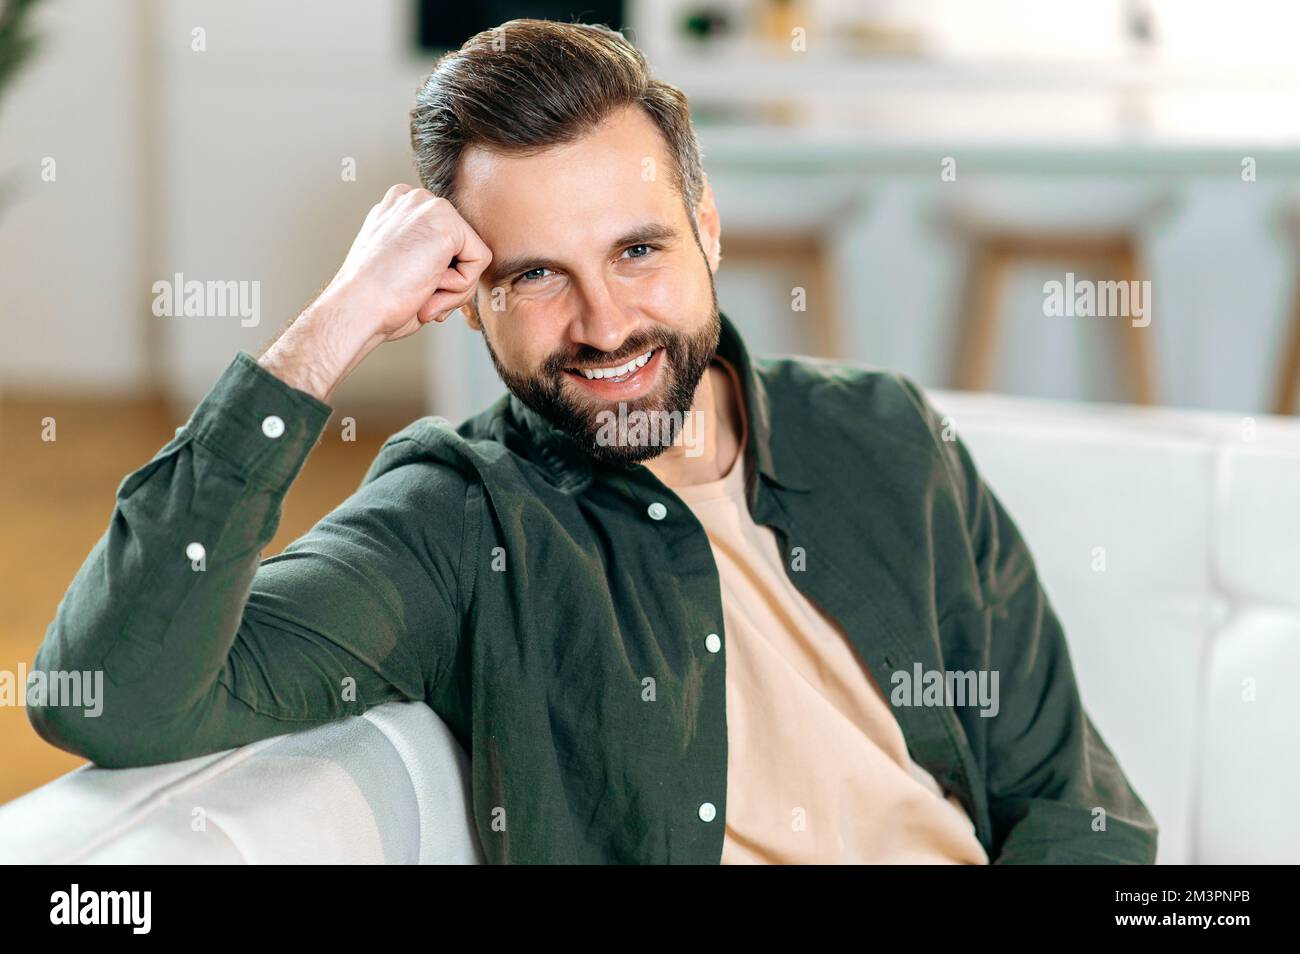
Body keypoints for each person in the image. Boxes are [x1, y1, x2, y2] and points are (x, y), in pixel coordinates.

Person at [27, 19, 1157, 864]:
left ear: (707, 230)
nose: (606, 325)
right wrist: (332, 328)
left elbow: (1074, 801)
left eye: (637, 252)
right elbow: (113, 694)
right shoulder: (456, 521)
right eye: (536, 277)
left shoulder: (884, 436)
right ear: (465, 295)